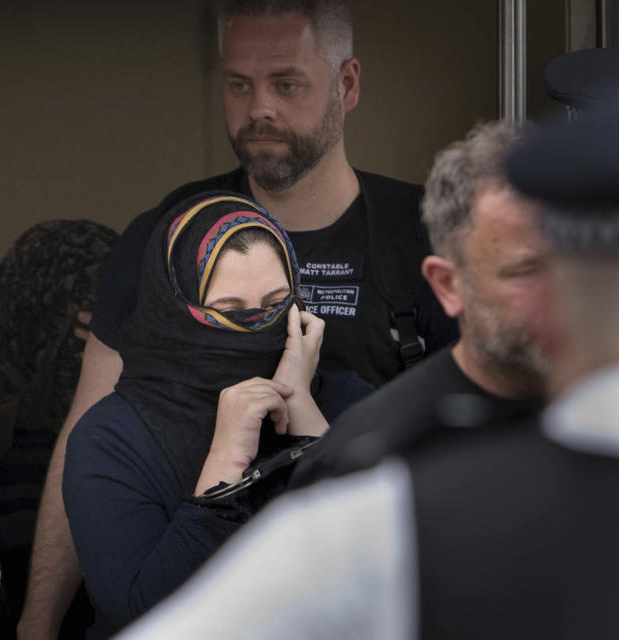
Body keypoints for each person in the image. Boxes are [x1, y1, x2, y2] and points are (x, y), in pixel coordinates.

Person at [20, 2, 457, 635]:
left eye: (287, 83)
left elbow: (468, 446)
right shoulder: (164, 239)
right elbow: (90, 428)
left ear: (348, 84)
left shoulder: (423, 236)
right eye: (238, 85)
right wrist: (37, 622)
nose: (260, 110)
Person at [115, 105, 619, 639]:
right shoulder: (387, 492)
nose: (540, 297)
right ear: (447, 285)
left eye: (552, 270)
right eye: (521, 271)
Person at [62, 192, 372, 638]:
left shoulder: (349, 403)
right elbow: (145, 617)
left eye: (276, 304)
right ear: (174, 311)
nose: (257, 325)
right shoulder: (112, 439)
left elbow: (383, 567)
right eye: (229, 312)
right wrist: (223, 468)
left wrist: (301, 410)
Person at [289, 120, 550, 488]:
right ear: (449, 285)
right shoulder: (370, 456)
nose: (564, 293)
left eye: (580, 266)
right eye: (525, 271)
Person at [0, 219, 119, 640]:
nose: (87, 342)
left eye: (106, 317)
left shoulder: (126, 425)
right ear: (28, 303)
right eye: (73, 320)